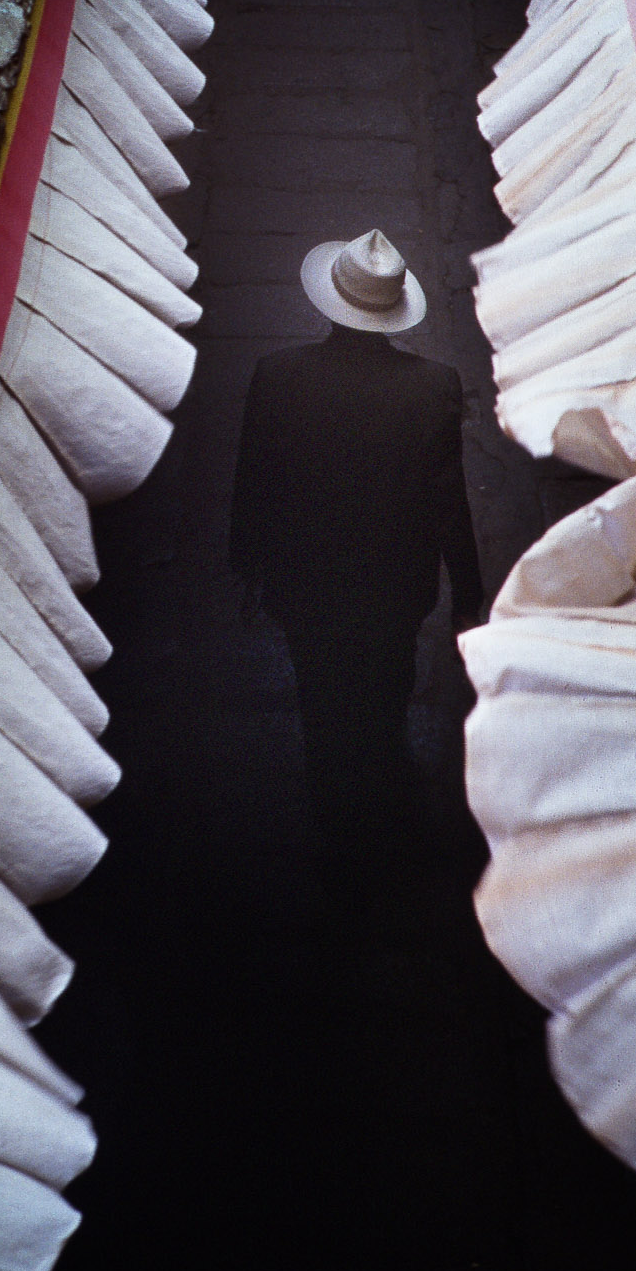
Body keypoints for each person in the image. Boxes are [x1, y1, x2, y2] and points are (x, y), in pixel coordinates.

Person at [229, 229, 483, 869]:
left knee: (320, 695)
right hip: (395, 585)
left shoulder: (278, 375)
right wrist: (467, 596)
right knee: (386, 691)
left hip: (305, 579)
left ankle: (335, 820)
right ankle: (384, 803)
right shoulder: (435, 385)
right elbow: (448, 499)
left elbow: (254, 480)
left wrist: (245, 572)